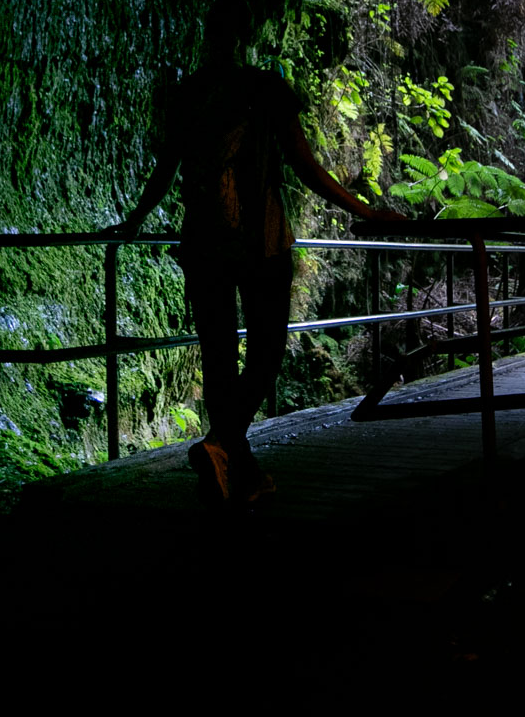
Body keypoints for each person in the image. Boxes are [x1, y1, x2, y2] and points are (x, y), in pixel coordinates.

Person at [107, 48, 403, 506]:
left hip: (203, 240)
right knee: (266, 351)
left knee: (218, 355)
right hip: (261, 240)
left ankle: (234, 469)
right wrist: (366, 212)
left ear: (208, 34)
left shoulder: (191, 93)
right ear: (242, 36)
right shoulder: (266, 88)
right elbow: (305, 166)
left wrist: (135, 220)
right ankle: (223, 447)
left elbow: (167, 165)